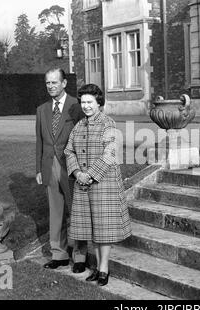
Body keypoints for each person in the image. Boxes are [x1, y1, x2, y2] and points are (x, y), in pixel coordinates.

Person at [64, 83, 132, 286]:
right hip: (83, 184)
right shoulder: (79, 126)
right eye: (83, 102)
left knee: (104, 229)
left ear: (99, 103)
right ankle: (98, 267)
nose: (86, 106)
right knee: (92, 228)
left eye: (90, 102)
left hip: (104, 184)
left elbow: (109, 154)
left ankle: (104, 269)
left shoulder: (108, 124)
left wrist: (90, 175)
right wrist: (77, 172)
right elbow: (69, 151)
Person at [35, 68, 87, 273]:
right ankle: (59, 254)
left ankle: (80, 256)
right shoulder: (42, 109)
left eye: (54, 82)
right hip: (50, 166)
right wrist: (39, 168)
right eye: (48, 83)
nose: (50, 86)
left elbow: (84, 137)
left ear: (64, 83)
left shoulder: (77, 105)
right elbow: (39, 141)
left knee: (76, 211)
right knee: (55, 212)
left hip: (72, 166)